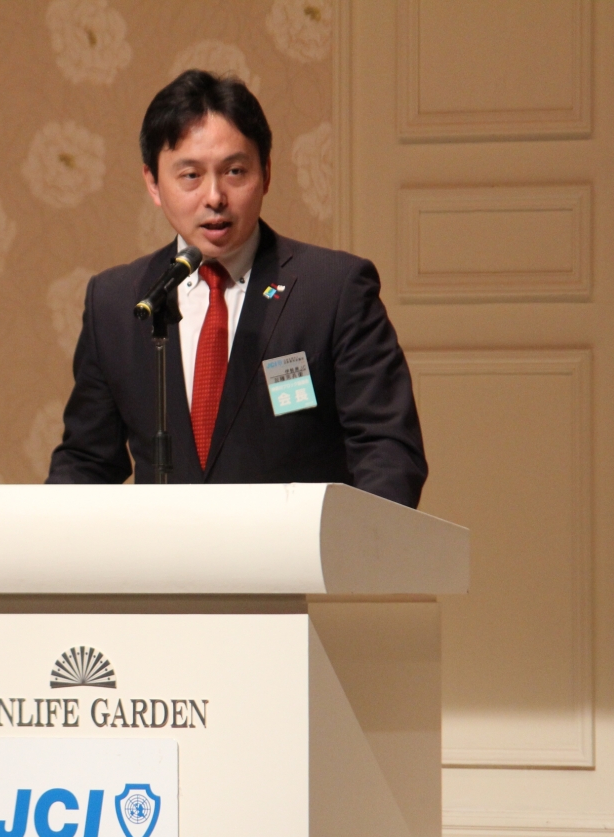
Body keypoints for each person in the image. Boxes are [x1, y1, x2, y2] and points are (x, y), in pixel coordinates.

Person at [45, 70, 427, 508]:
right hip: (167, 552)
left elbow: (388, 451)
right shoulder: (117, 302)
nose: (214, 197)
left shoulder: (332, 291)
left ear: (266, 173)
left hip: (297, 550)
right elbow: (87, 462)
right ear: (153, 183)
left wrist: (360, 543)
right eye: (190, 175)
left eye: (234, 171)